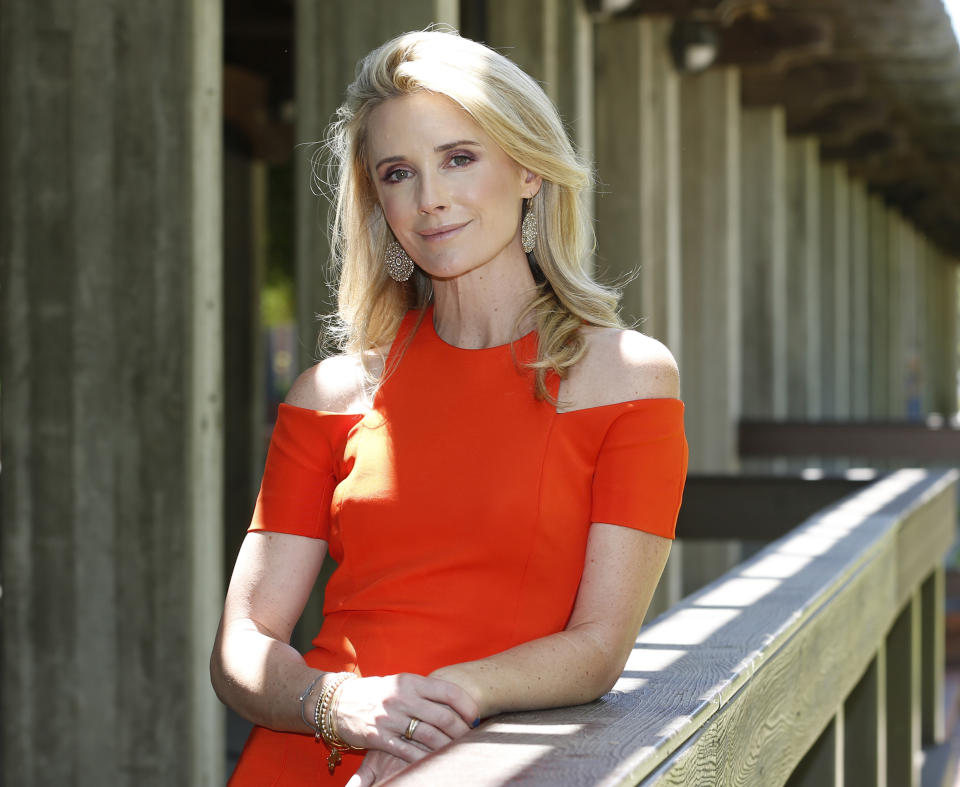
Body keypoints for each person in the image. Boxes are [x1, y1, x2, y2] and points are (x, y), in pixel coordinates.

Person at [210, 28, 687, 787]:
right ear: (380, 201)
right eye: (399, 173)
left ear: (528, 168)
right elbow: (242, 643)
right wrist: (336, 702)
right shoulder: (333, 394)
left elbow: (599, 645)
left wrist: (443, 702)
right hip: (311, 758)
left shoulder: (627, 376)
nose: (430, 198)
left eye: (459, 158)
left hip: (479, 759)